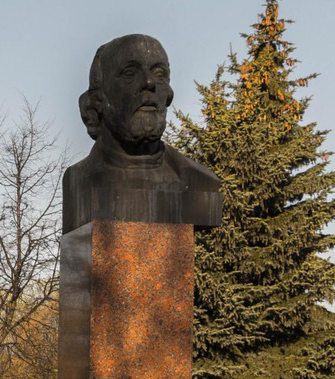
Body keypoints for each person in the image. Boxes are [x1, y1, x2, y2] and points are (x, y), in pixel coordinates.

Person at [62, 34, 220, 233]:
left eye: (159, 73)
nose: (148, 82)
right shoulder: (81, 179)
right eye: (130, 73)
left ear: (169, 94)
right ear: (98, 99)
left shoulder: (196, 181)